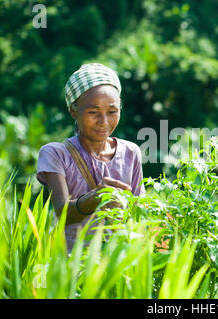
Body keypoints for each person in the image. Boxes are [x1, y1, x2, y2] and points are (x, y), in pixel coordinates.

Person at [36, 63, 145, 252]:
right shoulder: (56, 154)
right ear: (73, 111)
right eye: (93, 112)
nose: (104, 122)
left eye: (112, 112)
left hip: (116, 265)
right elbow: (62, 212)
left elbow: (139, 211)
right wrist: (96, 197)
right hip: (72, 267)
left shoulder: (130, 153)